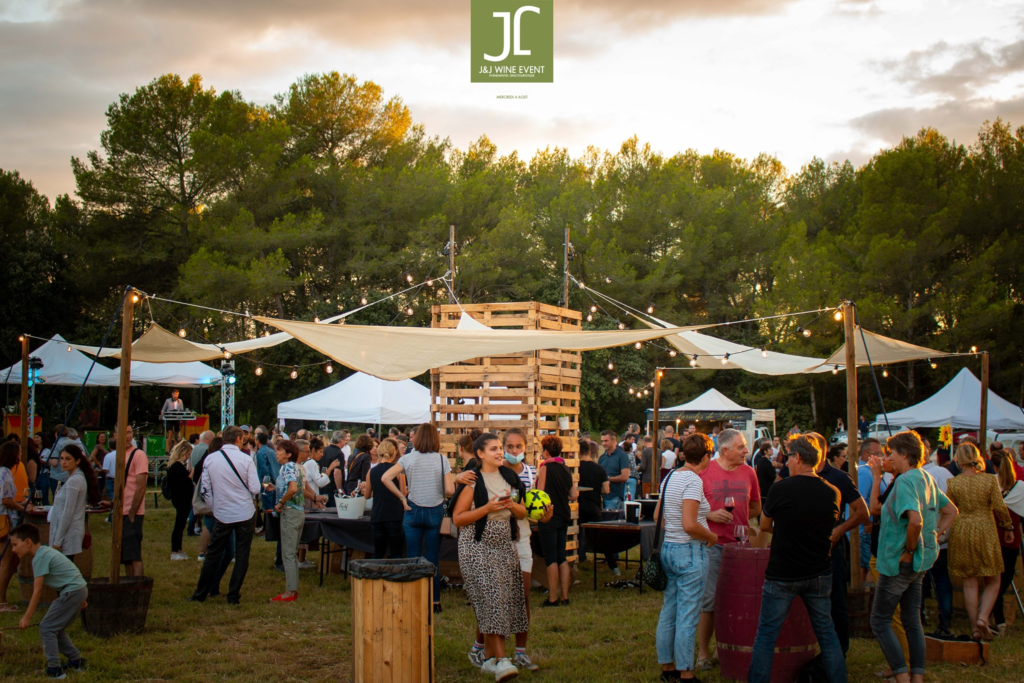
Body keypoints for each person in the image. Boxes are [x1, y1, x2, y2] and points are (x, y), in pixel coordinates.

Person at [748, 436, 847, 683]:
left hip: (784, 572)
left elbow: (764, 524)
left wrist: (785, 526)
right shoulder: (833, 491)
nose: (786, 461)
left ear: (799, 458)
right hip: (819, 572)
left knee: (767, 635)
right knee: (827, 633)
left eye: (789, 456)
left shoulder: (781, 488)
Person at [871, 431, 958, 683]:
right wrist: (935, 536)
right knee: (912, 620)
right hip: (921, 563)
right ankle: (917, 677)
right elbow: (951, 511)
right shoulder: (926, 478)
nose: (888, 457)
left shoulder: (906, 480)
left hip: (900, 562)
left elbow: (916, 521)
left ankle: (901, 675)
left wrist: (909, 550)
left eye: (891, 453)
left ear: (904, 455)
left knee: (879, 621)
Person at [452, 433, 529, 682]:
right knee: (493, 598)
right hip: (476, 546)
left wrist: (509, 505)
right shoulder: (474, 481)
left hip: (504, 545)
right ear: (480, 454)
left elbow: (522, 512)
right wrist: (486, 508)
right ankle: (503, 661)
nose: (499, 452)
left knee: (504, 600)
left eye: (500, 448)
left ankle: (487, 659)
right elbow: (458, 518)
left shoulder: (510, 478)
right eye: (494, 449)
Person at [696, 428, 761, 672]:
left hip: (740, 547)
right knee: (710, 599)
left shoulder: (749, 473)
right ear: (725, 450)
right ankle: (703, 652)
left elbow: (755, 507)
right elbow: (692, 509)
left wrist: (740, 521)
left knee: (736, 600)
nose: (746, 451)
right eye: (742, 447)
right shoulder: (705, 473)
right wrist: (710, 514)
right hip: (712, 544)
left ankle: (725, 647)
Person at [654, 432, 718, 682]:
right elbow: (690, 524)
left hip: (669, 547)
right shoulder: (693, 481)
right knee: (688, 614)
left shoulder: (671, 476)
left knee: (669, 610)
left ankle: (667, 668)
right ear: (705, 457)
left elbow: (659, 514)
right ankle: (686, 672)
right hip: (689, 550)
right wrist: (711, 537)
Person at [381, 422, 454, 612]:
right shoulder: (441, 460)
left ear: (417, 438)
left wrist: (402, 496)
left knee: (412, 557)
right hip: (435, 511)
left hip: (412, 509)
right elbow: (449, 490)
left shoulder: (408, 459)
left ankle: (410, 599)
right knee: (432, 559)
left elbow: (385, 478)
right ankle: (434, 601)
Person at [807, 431, 868, 657]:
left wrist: (840, 529)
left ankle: (839, 653)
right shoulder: (790, 472)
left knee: (836, 602)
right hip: (801, 549)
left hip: (831, 549)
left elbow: (863, 512)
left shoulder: (838, 477)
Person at [946, 441, 1012, 640]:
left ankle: (975, 627)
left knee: (969, 582)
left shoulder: (954, 483)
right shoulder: (989, 481)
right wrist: (1007, 526)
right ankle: (983, 618)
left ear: (958, 459)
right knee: (994, 579)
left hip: (962, 529)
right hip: (985, 528)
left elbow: (947, 508)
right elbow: (1000, 507)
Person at [189, 426, 260, 605]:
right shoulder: (246, 459)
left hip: (222, 513)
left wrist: (215, 506)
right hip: (244, 512)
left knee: (213, 554)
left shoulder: (211, 459)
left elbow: (205, 488)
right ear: (238, 439)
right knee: (242, 555)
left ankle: (200, 593)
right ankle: (233, 595)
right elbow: (256, 488)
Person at [10, 524, 88, 678]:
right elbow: (65, 572)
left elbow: (37, 591)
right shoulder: (46, 551)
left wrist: (26, 617)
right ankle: (76, 660)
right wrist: (81, 596)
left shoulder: (39, 557)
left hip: (73, 591)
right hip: (77, 590)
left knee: (47, 627)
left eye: (14, 544)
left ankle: (54, 670)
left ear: (27, 542)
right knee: (55, 627)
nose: (13, 549)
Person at [536, 435, 577, 607]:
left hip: (549, 516)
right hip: (564, 516)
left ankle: (552, 598)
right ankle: (565, 597)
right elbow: (574, 495)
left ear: (545, 451)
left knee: (550, 557)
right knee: (562, 556)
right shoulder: (565, 468)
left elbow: (540, 493)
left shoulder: (546, 468)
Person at [44, 444, 100, 560]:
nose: (63, 462)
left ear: (77, 461)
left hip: (67, 534)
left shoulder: (74, 481)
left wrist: (57, 542)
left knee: (63, 572)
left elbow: (68, 512)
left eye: (68, 459)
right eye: (62, 458)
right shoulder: (73, 478)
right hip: (66, 533)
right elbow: (60, 507)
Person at [921, 445, 954, 633]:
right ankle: (945, 616)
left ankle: (923, 614)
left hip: (928, 536)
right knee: (941, 577)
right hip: (940, 534)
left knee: (925, 579)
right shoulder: (944, 473)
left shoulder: (918, 476)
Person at [267, 439, 304, 602]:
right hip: (297, 512)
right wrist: (275, 488)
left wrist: (280, 503)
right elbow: (293, 488)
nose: (276, 452)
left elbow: (293, 489)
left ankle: (290, 591)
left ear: (288, 454)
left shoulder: (288, 466)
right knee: (292, 552)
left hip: (290, 512)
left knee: (288, 553)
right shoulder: (293, 467)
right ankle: (292, 588)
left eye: (279, 450)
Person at [990, 448, 1020, 635]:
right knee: (1003, 579)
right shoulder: (1020, 486)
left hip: (994, 537)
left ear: (993, 466)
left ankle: (997, 618)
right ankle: (997, 619)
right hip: (1011, 538)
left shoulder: (991, 484)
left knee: (995, 580)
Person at [114, 425, 148, 578]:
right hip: (120, 511)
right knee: (126, 557)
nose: (127, 436)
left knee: (134, 556)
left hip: (132, 512)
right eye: (123, 432)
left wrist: (133, 513)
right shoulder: (118, 455)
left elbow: (141, 487)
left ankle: (139, 588)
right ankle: (130, 587)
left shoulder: (138, 455)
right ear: (115, 435)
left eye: (129, 433)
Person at [598, 430, 632, 575]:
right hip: (602, 496)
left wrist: (608, 479)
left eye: (606, 441)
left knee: (612, 527)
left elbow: (625, 476)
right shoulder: (602, 458)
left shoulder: (622, 456)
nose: (604, 444)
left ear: (613, 441)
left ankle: (614, 556)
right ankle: (609, 555)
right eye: (602, 441)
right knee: (604, 528)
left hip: (614, 496)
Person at [0, 441, 27, 612]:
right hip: (5, 521)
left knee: (9, 561)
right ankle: (1, 602)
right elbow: (5, 500)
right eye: (20, 452)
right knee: (6, 561)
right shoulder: (6, 473)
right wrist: (23, 507)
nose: (21, 455)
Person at [368, 438, 405, 559]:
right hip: (395, 515)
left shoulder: (371, 471)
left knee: (378, 551)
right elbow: (403, 493)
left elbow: (367, 495)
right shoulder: (398, 471)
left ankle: (374, 576)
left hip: (378, 514)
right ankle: (396, 576)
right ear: (394, 453)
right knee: (396, 552)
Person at [858, 438, 884, 583]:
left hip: (872, 528)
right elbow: (859, 501)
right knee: (869, 567)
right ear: (866, 454)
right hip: (866, 530)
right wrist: (867, 523)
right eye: (877, 453)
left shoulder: (870, 472)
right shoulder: (864, 473)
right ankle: (867, 600)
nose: (881, 457)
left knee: (870, 567)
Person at [166, 440, 194, 560]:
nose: (188, 458)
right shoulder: (177, 466)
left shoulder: (175, 465)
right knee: (179, 525)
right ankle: (175, 550)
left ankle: (179, 549)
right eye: (188, 455)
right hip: (181, 498)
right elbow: (184, 483)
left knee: (181, 524)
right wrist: (191, 473)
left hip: (180, 498)